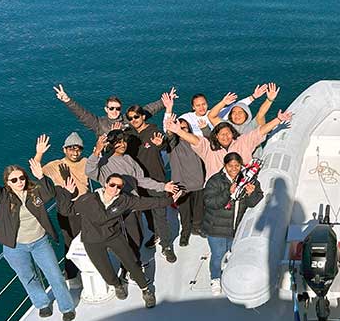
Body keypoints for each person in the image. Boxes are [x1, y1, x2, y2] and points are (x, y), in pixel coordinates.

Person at [0, 141, 76, 321]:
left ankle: (66, 307)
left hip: (40, 243)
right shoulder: (3, 197)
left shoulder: (35, 192)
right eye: (14, 180)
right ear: (7, 183)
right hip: (15, 247)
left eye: (21, 178)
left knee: (54, 275)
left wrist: (41, 176)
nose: (19, 182)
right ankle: (42, 304)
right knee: (27, 278)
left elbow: (50, 193)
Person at [55, 173, 183, 308]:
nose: (115, 189)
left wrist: (170, 201)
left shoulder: (123, 200)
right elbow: (67, 210)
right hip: (92, 240)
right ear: (105, 185)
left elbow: (146, 203)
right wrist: (67, 193)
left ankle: (146, 290)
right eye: (112, 185)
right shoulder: (88, 199)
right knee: (104, 269)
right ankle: (117, 285)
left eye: (119, 186)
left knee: (132, 262)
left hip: (113, 236)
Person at [85, 131, 180, 264]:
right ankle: (130, 269)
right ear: (111, 144)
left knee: (137, 237)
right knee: (127, 240)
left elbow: (141, 180)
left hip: (133, 206)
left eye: (124, 141)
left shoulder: (129, 159)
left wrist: (163, 186)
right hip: (116, 208)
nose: (122, 144)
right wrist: (96, 152)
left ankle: (133, 265)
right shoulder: (103, 162)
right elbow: (89, 171)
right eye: (118, 142)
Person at [165, 108, 293, 184]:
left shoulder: (243, 141)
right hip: (217, 190)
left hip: (242, 187)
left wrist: (278, 119)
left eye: (228, 134)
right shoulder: (209, 148)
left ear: (233, 134)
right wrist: (179, 131)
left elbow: (259, 131)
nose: (225, 137)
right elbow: (196, 140)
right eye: (221, 134)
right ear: (216, 136)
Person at [202, 153, 264, 295]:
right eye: (230, 166)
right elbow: (210, 203)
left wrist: (251, 194)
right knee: (218, 255)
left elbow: (253, 202)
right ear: (225, 166)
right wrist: (228, 193)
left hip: (235, 229)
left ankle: (229, 272)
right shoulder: (215, 181)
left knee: (232, 253)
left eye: (237, 165)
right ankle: (215, 278)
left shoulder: (249, 180)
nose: (234, 168)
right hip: (216, 228)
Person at [32, 133, 89, 284]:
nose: (75, 152)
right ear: (64, 150)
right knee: (69, 242)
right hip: (66, 208)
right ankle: (71, 274)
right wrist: (39, 153)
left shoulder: (86, 161)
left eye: (78, 149)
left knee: (90, 239)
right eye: (71, 149)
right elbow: (37, 171)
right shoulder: (55, 165)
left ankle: (92, 267)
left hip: (86, 206)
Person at [123, 104, 175, 261]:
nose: (134, 120)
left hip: (156, 179)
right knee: (146, 212)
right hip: (137, 182)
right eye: (130, 118)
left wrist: (161, 145)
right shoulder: (128, 134)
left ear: (143, 116)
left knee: (160, 214)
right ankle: (156, 234)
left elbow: (165, 143)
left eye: (136, 117)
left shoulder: (153, 131)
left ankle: (166, 246)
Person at [161, 92, 207, 243]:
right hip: (181, 184)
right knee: (184, 211)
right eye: (179, 127)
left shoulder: (195, 141)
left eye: (185, 127)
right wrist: (169, 110)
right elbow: (167, 133)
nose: (182, 129)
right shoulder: (172, 145)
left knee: (198, 208)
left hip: (198, 181)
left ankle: (197, 227)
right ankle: (185, 232)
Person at [52, 84, 171, 136]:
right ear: (106, 109)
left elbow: (148, 110)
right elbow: (82, 114)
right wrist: (67, 100)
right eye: (111, 108)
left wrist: (164, 102)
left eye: (118, 108)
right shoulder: (99, 123)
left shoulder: (129, 118)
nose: (115, 111)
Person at [178, 85, 267, 137]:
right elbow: (170, 126)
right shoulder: (187, 117)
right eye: (198, 105)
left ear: (207, 104)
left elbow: (236, 106)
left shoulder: (216, 114)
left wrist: (253, 96)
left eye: (203, 104)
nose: (201, 107)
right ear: (193, 107)